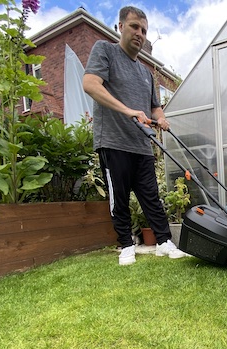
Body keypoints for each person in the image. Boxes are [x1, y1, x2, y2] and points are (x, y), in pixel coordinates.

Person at [83, 5, 185, 265]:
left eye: (144, 30)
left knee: (151, 196)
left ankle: (164, 242)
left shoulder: (146, 73)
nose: (140, 34)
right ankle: (126, 245)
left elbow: (155, 106)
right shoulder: (105, 51)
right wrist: (128, 111)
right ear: (120, 27)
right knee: (119, 197)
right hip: (113, 141)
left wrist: (160, 118)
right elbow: (90, 84)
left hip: (141, 144)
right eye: (134, 27)